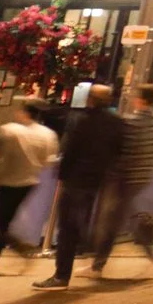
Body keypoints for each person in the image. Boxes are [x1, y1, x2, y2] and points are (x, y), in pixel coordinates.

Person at [35, 86, 123, 291]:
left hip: (77, 179)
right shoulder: (117, 122)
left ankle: (61, 275)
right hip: (98, 179)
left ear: (91, 99)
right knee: (81, 220)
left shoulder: (82, 121)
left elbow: (71, 150)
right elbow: (119, 151)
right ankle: (86, 247)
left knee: (67, 228)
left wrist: (62, 175)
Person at [0, 100, 59, 275]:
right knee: (4, 223)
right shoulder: (48, 134)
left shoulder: (10, 130)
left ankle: (21, 247)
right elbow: (47, 160)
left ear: (24, 112)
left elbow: (0, 155)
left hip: (8, 181)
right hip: (29, 182)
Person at [97, 82, 153, 271]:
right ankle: (150, 252)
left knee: (111, 220)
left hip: (127, 176)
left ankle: (98, 265)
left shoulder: (133, 121)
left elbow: (125, 150)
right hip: (144, 175)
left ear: (141, 100)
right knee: (127, 214)